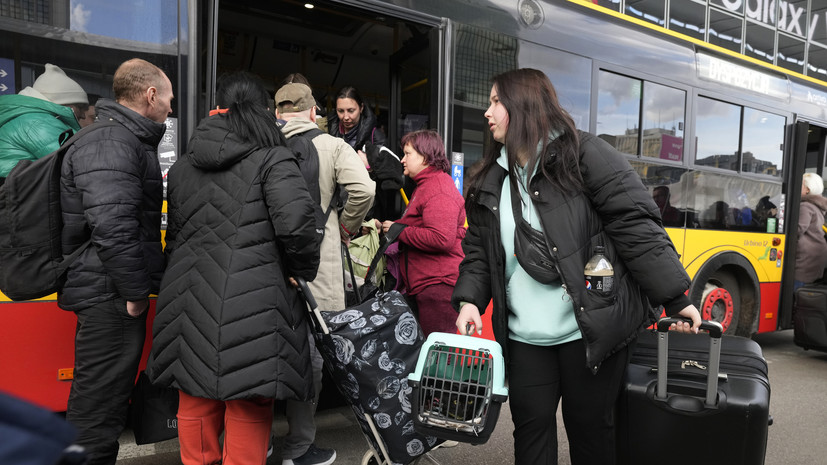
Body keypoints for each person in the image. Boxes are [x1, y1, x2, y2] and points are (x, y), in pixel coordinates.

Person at [451, 68, 702, 465]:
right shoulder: (490, 179)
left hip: (588, 332)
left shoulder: (584, 155)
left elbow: (635, 224)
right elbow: (480, 252)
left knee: (591, 436)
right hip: (524, 337)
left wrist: (674, 296)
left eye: (496, 101)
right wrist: (468, 301)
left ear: (523, 105)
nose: (487, 112)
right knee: (530, 435)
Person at [145, 71, 320, 465]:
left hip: (189, 298)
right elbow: (297, 227)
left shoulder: (186, 165)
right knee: (249, 400)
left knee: (195, 394)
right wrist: (299, 269)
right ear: (264, 110)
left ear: (216, 109)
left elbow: (174, 237)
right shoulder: (274, 157)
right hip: (254, 301)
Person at [59, 58, 172, 465]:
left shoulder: (118, 138)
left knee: (99, 400)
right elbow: (112, 225)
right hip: (110, 294)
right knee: (98, 406)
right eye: (169, 99)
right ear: (151, 94)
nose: (171, 110)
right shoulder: (113, 142)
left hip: (106, 289)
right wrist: (135, 294)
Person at [274, 81, 375, 465]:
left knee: (266, 353)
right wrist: (345, 225)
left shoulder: (265, 143)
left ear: (278, 111)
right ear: (314, 111)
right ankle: (299, 447)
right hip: (318, 269)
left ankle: (257, 441)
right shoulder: (333, 145)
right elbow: (364, 189)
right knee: (312, 358)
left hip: (270, 268)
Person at [377, 129, 466, 336]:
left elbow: (441, 238)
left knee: (439, 357)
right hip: (427, 286)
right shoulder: (426, 186)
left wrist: (400, 231)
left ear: (425, 157)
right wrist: (387, 226)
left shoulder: (438, 189)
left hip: (438, 288)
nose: (402, 160)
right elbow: (419, 224)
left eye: (408, 154)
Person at [328, 85, 404, 220]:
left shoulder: (376, 137)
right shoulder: (329, 131)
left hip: (365, 210)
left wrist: (370, 166)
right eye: (340, 111)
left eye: (351, 111)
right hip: (333, 205)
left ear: (361, 108)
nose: (345, 117)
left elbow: (389, 178)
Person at [0, 63, 88, 177]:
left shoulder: (28, 117)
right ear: (63, 103)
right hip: (23, 192)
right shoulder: (37, 122)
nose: (83, 115)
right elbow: (78, 164)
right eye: (80, 107)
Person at [795, 173, 827, 290]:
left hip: (805, 259)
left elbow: (797, 229)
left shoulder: (805, 206)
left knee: (796, 292)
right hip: (815, 255)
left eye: (800, 185)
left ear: (807, 190)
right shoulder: (817, 206)